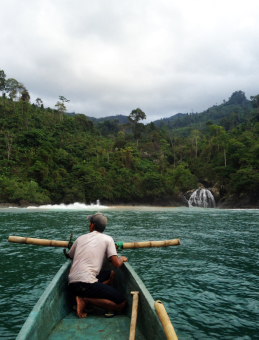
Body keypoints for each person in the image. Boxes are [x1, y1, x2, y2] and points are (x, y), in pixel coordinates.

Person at [67, 212, 128, 318]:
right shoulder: (108, 239)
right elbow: (116, 264)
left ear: (92, 225)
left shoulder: (80, 238)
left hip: (72, 284)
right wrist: (122, 258)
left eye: (89, 223)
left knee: (110, 274)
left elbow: (70, 256)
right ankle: (85, 299)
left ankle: (86, 298)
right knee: (121, 303)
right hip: (85, 284)